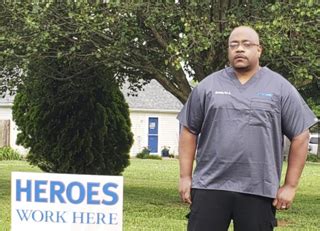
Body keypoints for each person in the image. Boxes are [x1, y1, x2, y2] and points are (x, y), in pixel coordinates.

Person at [177, 26, 318, 231]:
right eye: (233, 45)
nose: (239, 49)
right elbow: (189, 130)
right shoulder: (208, 86)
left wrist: (290, 186)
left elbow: (300, 135)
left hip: (259, 189)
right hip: (210, 186)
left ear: (259, 50)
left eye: (246, 44)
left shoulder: (280, 88)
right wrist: (185, 177)